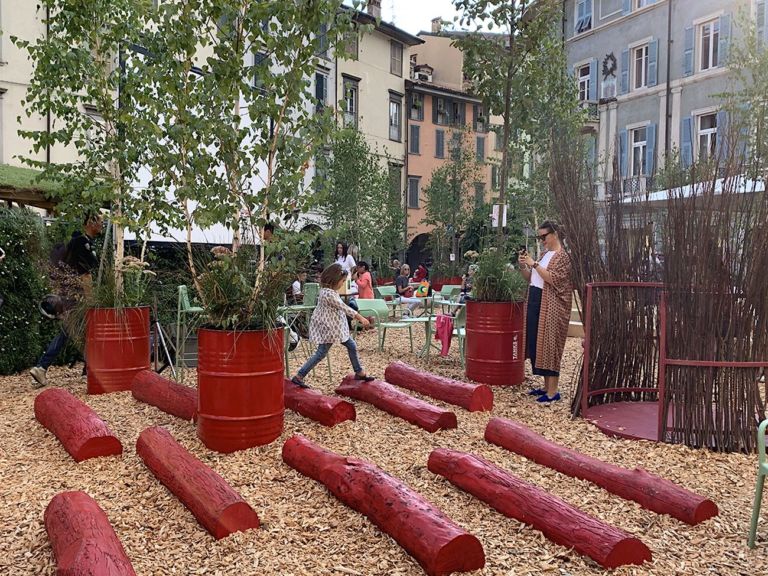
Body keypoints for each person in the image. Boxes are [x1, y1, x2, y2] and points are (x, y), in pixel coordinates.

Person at [30, 212, 103, 389]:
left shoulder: (82, 242)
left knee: (74, 331)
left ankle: (45, 368)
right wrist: (91, 300)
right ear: (90, 222)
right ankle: (42, 367)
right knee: (71, 331)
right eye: (100, 221)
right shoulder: (82, 243)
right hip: (75, 297)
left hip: (70, 295)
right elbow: (85, 274)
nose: (102, 224)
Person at [290, 264, 373, 388]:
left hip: (334, 329)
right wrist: (360, 317)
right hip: (330, 330)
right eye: (342, 281)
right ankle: (299, 376)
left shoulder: (329, 292)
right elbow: (344, 307)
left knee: (349, 345)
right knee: (321, 353)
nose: (343, 283)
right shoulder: (328, 294)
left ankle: (359, 371)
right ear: (334, 280)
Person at [517, 220, 572, 404]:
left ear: (554, 234)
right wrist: (524, 265)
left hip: (551, 305)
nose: (542, 241)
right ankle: (546, 387)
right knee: (536, 343)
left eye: (544, 237)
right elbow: (531, 278)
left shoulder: (562, 257)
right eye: (539, 237)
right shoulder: (544, 255)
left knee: (550, 343)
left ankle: (553, 392)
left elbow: (553, 279)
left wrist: (534, 264)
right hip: (535, 299)